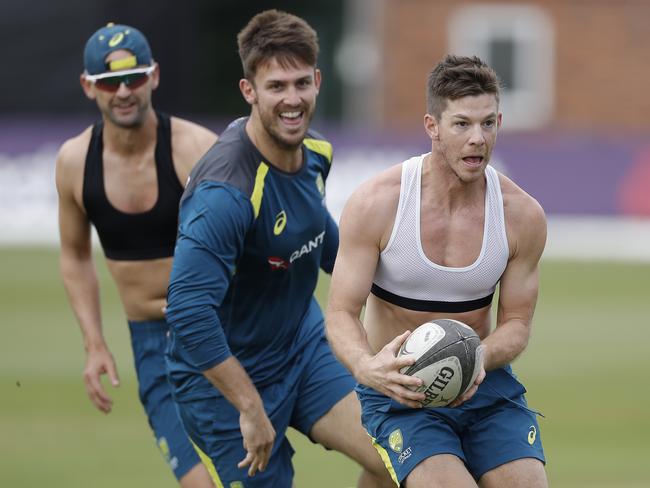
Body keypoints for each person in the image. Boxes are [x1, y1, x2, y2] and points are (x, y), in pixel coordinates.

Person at [164, 9, 393, 488]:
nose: (292, 100)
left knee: (401, 461)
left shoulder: (317, 154)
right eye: (276, 87)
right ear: (249, 91)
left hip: (303, 347)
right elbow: (187, 313)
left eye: (300, 83)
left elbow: (326, 243)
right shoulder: (225, 194)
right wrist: (249, 405)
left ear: (317, 80)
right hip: (223, 387)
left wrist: (414, 298)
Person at [325, 54, 548, 487]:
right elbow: (339, 313)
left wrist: (476, 357)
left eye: (488, 123)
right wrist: (365, 367)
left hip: (484, 386)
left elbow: (517, 323)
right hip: (400, 394)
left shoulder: (522, 216)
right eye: (461, 124)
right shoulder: (377, 203)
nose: (477, 139)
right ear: (432, 127)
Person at [55, 23, 217, 488]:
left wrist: (209, 301)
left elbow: (245, 240)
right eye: (109, 82)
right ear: (89, 87)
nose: (124, 91)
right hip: (151, 346)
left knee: (251, 473)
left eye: (136, 77)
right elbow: (74, 255)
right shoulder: (73, 162)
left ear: (155, 77)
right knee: (197, 483)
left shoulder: (195, 148)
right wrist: (94, 344)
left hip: (218, 330)